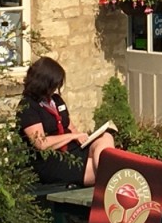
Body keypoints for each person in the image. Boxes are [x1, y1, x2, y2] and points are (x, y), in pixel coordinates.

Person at [18, 56, 115, 186]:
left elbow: (71, 128)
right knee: (99, 169)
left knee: (105, 137)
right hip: (51, 160)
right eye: (54, 84)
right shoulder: (28, 106)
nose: (57, 88)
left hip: (72, 150)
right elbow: (41, 144)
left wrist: (85, 138)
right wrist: (71, 136)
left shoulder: (56, 100)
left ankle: (109, 177)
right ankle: (110, 184)